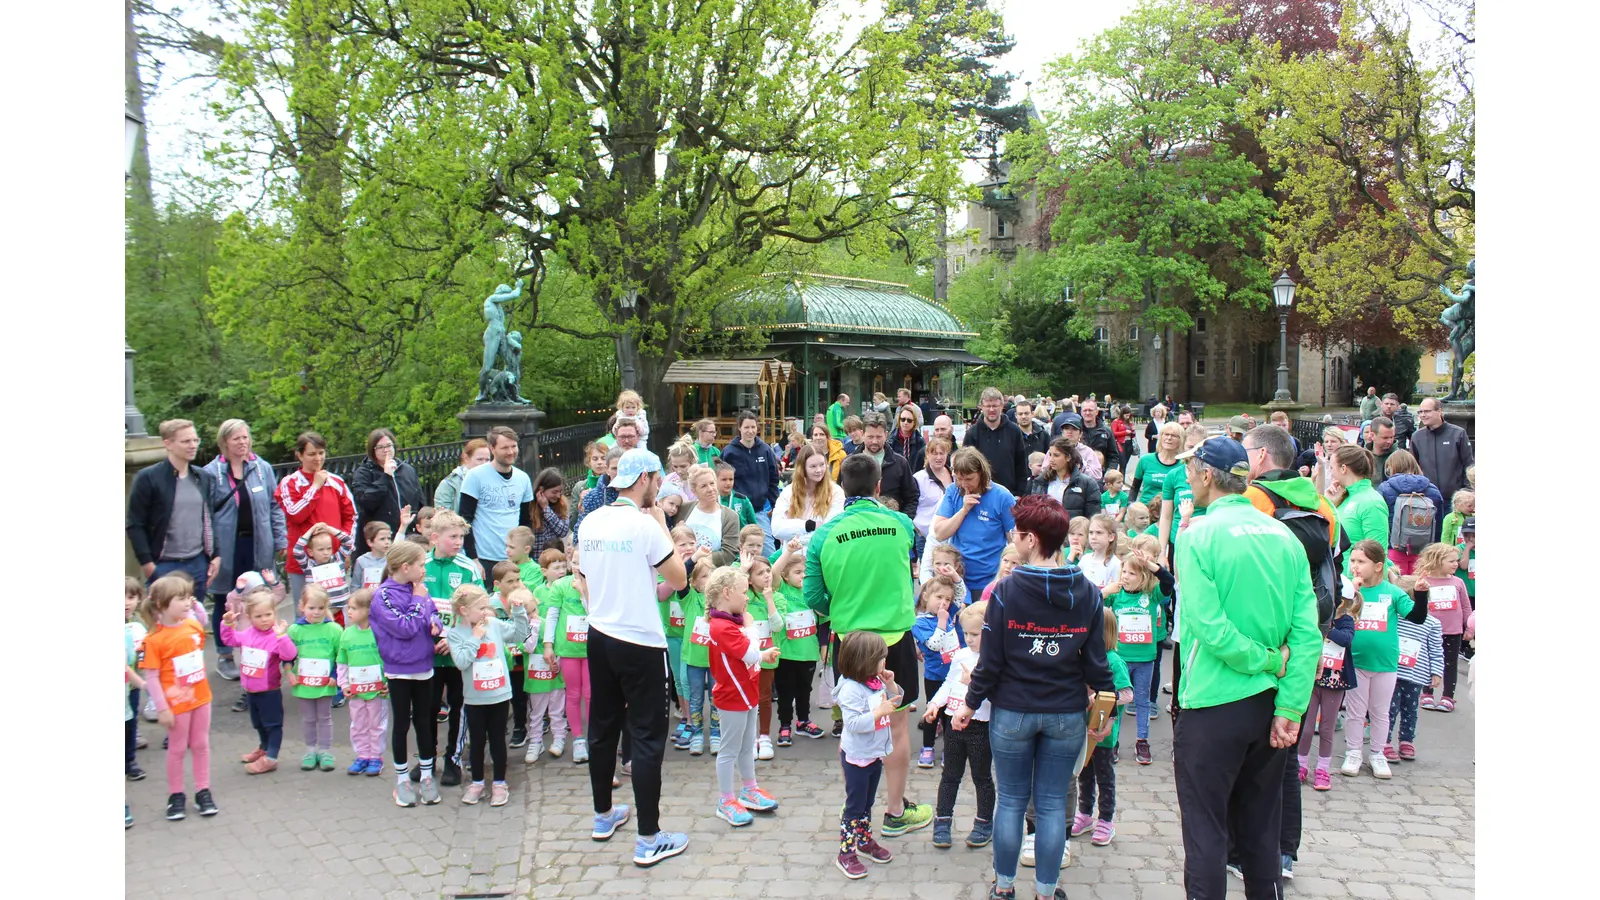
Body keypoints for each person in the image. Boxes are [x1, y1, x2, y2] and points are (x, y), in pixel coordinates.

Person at [1170, 436, 1321, 900]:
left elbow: (1210, 629)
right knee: (1260, 831)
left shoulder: (1197, 535)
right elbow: (1307, 635)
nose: (1188, 478)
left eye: (1191, 470)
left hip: (1215, 703)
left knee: (1207, 834)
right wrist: (1291, 707)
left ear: (1208, 475)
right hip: (1271, 706)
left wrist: (1267, 662)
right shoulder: (1282, 534)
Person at [950, 494, 1116, 900]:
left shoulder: (1006, 591)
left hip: (1013, 714)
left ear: (1029, 539)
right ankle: (1046, 891)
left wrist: (969, 705)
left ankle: (1004, 889)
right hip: (1066, 714)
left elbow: (990, 663)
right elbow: (1098, 663)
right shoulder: (1088, 592)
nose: (1014, 539)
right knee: (1050, 804)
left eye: (1017, 534)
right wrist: (1106, 706)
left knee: (1010, 801)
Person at [805, 454, 934, 839]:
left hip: (851, 641)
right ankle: (895, 811)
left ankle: (857, 813)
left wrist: (843, 609)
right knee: (896, 728)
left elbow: (813, 594)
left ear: (841, 487)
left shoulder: (825, 534)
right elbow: (908, 557)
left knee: (858, 730)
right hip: (894, 638)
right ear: (879, 487)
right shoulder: (900, 523)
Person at [575, 448, 690, 868]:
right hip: (640, 639)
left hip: (599, 633)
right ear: (644, 477)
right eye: (657, 479)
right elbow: (678, 580)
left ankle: (603, 815)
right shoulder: (645, 525)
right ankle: (649, 837)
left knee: (602, 727)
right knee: (646, 736)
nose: (660, 487)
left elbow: (582, 576)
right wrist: (661, 523)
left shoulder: (591, 520)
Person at [201, 419, 287, 683]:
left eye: (245, 437)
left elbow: (275, 507)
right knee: (225, 599)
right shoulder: (210, 473)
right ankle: (225, 656)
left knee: (260, 596)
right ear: (224, 442)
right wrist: (208, 550)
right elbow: (204, 513)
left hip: (258, 544)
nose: (242, 442)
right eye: (236, 438)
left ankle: (262, 650)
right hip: (226, 548)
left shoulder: (262, 469)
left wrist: (280, 539)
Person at [1338, 540, 1430, 778]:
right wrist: (1351, 592)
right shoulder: (1347, 589)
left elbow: (1417, 617)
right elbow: (1335, 613)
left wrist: (1421, 594)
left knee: (1380, 712)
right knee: (1356, 712)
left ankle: (1377, 753)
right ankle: (1354, 752)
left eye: (1361, 562)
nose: (1355, 566)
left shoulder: (1392, 592)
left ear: (1378, 566)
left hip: (1386, 663)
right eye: (1353, 561)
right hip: (1356, 662)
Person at [704, 565, 783, 827]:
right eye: (743, 591)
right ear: (727, 593)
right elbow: (747, 652)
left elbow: (747, 657)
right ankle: (726, 800)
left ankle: (749, 789)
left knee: (747, 745)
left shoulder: (728, 623)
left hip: (746, 692)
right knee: (729, 750)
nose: (747, 597)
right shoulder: (722, 627)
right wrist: (751, 628)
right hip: (732, 696)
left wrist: (763, 655)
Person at [138, 572, 220, 821]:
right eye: (181, 598)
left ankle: (202, 790)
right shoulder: (153, 640)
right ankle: (176, 795)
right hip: (176, 705)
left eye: (189, 597)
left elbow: (201, 629)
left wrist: (195, 607)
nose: (187, 603)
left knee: (201, 744)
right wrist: (162, 708)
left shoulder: (193, 626)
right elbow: (152, 677)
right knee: (176, 748)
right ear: (162, 605)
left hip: (201, 698)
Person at [369, 541, 445, 808]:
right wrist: (418, 600)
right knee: (401, 723)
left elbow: (432, 615)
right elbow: (406, 627)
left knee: (424, 722)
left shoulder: (419, 591)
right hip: (399, 670)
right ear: (405, 567)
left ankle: (426, 775)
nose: (424, 570)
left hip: (424, 666)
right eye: (421, 565)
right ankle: (401, 780)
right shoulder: (383, 596)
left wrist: (435, 624)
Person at [446, 583, 531, 806]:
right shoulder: (455, 634)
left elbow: (519, 635)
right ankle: (477, 783)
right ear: (464, 611)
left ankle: (500, 784)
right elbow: (462, 661)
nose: (486, 612)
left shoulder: (493, 624)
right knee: (476, 742)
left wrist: (519, 612)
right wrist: (475, 637)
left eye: (486, 607)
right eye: (481, 608)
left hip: (499, 694)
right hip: (475, 698)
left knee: (497, 740)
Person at [832, 630, 904, 880]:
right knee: (854, 806)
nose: (885, 662)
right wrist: (877, 713)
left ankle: (864, 841)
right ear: (864, 660)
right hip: (857, 758)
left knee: (867, 803)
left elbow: (898, 699)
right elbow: (852, 724)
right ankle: (846, 853)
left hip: (875, 754)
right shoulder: (851, 689)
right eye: (881, 658)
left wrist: (891, 683)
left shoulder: (875, 681)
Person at [126, 418, 221, 606]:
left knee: (194, 621)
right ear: (167, 443)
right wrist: (148, 566)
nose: (193, 445)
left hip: (198, 563)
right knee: (165, 624)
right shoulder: (149, 478)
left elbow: (210, 519)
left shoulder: (202, 477)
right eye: (186, 441)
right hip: (164, 564)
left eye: (195, 440)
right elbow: (135, 524)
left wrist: (215, 556)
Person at [924, 601, 995, 851]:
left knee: (982, 777)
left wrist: (974, 680)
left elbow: (997, 693)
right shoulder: (962, 655)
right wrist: (935, 704)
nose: (970, 639)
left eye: (975, 634)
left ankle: (984, 822)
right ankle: (942, 820)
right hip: (954, 723)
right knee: (950, 775)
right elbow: (948, 683)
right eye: (966, 634)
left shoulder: (994, 660)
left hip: (980, 726)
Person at [422, 511, 483, 788]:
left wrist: (455, 638)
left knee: (459, 707)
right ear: (434, 537)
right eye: (453, 537)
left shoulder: (467, 568)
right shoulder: (420, 567)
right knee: (428, 707)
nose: (459, 542)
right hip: (427, 653)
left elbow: (479, 609)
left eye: (461, 537)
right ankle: (427, 759)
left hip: (457, 652)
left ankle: (453, 759)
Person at [220, 586, 296, 775]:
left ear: (275, 613)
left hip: (269, 690)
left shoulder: (276, 637)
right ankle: (263, 747)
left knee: (273, 724)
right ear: (249, 617)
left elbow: (290, 654)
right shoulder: (247, 635)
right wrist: (227, 624)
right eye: (258, 616)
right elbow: (230, 640)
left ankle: (271, 758)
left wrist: (282, 637)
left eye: (268, 615)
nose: (264, 620)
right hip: (250, 690)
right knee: (258, 723)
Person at [1075, 608, 1134, 848]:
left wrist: (1100, 698)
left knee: (1105, 776)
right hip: (1083, 731)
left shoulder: (1113, 660)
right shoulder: (1082, 658)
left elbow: (1127, 694)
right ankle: (1085, 813)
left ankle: (1106, 819)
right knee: (1084, 774)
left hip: (1104, 735)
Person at [932, 448, 1018, 597]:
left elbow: (1014, 542)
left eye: (969, 479)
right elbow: (939, 533)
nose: (964, 484)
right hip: (957, 578)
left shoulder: (1002, 496)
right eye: (959, 478)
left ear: (981, 473)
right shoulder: (953, 491)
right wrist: (964, 510)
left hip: (989, 579)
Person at [1296, 584, 1358, 792]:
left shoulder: (1346, 621)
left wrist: (1328, 629)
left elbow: (1346, 639)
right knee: (1306, 727)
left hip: (1335, 682)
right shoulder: (1313, 619)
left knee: (1326, 728)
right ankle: (1301, 764)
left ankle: (1323, 769)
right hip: (1313, 679)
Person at [1107, 556, 1165, 765]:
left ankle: (1142, 741)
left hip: (1145, 659)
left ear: (1143, 578)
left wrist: (1151, 565)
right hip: (1120, 660)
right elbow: (1091, 604)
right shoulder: (1116, 596)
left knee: (1142, 702)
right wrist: (1106, 591)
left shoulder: (1152, 595)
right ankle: (1113, 742)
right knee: (1118, 702)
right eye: (1124, 572)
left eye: (1132, 573)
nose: (1126, 577)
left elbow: (1167, 582)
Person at [459, 426, 535, 572]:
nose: (511, 452)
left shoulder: (523, 478)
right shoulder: (475, 476)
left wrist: (525, 554)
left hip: (514, 558)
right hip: (484, 557)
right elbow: (464, 520)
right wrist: (473, 558)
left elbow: (526, 521)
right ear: (492, 449)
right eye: (504, 448)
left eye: (514, 446)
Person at [286, 585, 343, 772]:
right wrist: (289, 672)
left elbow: (340, 656)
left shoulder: (334, 629)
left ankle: (325, 751)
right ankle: (310, 751)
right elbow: (288, 656)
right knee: (309, 718)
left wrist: (335, 676)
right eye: (311, 608)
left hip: (325, 683)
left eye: (320, 608)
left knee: (325, 717)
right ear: (302, 606)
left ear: (326, 607)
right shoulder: (294, 630)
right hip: (304, 684)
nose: (316, 612)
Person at [540, 553, 590, 761]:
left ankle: (595, 736)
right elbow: (552, 616)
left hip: (591, 651)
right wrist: (548, 645)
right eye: (575, 563)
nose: (578, 567)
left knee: (591, 694)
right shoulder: (560, 585)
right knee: (573, 694)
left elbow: (596, 612)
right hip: (568, 650)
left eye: (583, 563)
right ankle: (578, 739)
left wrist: (583, 594)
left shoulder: (597, 584)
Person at [772, 545, 824, 744]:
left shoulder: (812, 592)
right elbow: (774, 572)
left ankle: (803, 721)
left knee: (805, 690)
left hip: (808, 652)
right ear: (786, 576)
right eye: (797, 572)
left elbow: (823, 611)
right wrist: (788, 552)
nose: (802, 576)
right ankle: (785, 725)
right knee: (785, 692)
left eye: (805, 573)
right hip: (786, 652)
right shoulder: (782, 589)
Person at [335, 588, 389, 776]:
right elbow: (341, 662)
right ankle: (362, 755)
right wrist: (343, 685)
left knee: (377, 724)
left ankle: (376, 756)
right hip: (356, 691)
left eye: (354, 608)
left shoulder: (380, 632)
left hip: (376, 690)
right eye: (348, 608)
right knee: (358, 724)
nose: (349, 612)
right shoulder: (347, 634)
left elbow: (387, 659)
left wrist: (387, 683)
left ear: (368, 610)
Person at [523, 550, 572, 762]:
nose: (561, 571)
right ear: (544, 571)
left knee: (557, 701)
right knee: (536, 707)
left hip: (558, 651)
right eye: (556, 567)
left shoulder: (569, 588)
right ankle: (535, 742)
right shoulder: (536, 593)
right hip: (536, 657)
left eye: (564, 566)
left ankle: (559, 737)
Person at [351, 429, 426, 560]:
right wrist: (386, 477)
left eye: (389, 446)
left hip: (407, 533)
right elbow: (365, 501)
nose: (386, 450)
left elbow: (419, 498)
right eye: (380, 447)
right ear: (372, 450)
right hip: (381, 537)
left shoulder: (406, 469)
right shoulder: (363, 473)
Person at [911, 576, 962, 770]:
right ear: (926, 596)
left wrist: (955, 577)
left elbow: (961, 594)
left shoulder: (950, 614)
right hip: (934, 675)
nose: (943, 603)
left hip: (954, 675)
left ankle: (950, 750)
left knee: (950, 714)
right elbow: (933, 645)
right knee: (933, 712)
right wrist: (942, 622)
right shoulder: (920, 622)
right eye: (938, 597)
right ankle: (927, 748)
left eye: (947, 600)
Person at [1413, 543, 1471, 713]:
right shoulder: (1423, 581)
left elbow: (1466, 607)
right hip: (1428, 631)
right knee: (1426, 661)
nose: (1456, 564)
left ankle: (1447, 696)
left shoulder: (1458, 582)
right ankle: (1427, 692)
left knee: (1450, 663)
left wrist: (1469, 627)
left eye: (1457, 561)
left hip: (1452, 631)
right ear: (1437, 560)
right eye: (1451, 561)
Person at [1376, 450, 1445, 575]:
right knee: (1421, 589)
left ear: (1390, 468)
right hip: (1424, 551)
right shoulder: (1433, 490)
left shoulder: (1384, 489)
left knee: (1397, 587)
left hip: (1394, 548)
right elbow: (1439, 524)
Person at [720, 410, 781, 551]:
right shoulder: (729, 452)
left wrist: (774, 505)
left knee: (767, 550)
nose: (750, 431)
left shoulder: (765, 450)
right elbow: (720, 480)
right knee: (736, 550)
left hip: (759, 511)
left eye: (753, 427)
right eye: (746, 427)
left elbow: (773, 480)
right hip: (736, 512)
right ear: (739, 428)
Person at [1328, 445, 1390, 576]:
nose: (1331, 473)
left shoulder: (1371, 502)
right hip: (1339, 581)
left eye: (1332, 468)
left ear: (1343, 468)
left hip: (1357, 587)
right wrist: (1330, 502)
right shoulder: (1345, 497)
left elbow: (1379, 553)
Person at [771, 443, 845, 544]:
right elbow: (776, 529)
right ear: (803, 468)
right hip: (791, 556)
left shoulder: (835, 492)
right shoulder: (789, 491)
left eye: (822, 464)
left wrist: (793, 536)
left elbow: (828, 531)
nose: (819, 470)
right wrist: (809, 525)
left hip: (818, 555)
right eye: (813, 466)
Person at [963, 387, 1030, 496]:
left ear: (1002, 406)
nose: (991, 409)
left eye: (995, 406)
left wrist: (1020, 494)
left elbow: (1021, 465)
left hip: (1010, 495)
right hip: (981, 496)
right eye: (988, 406)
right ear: (981, 407)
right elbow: (966, 468)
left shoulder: (1014, 431)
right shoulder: (972, 434)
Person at [1409, 398, 1474, 503]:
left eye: (1427, 411)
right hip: (1426, 499)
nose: (1422, 415)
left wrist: (1466, 491)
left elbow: (1468, 464)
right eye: (1420, 412)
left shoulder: (1458, 434)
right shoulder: (1417, 437)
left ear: (1439, 411)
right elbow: (1412, 468)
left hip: (1455, 499)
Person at [854, 411, 919, 515]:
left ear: (886, 435)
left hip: (893, 526)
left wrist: (902, 522)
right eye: (870, 437)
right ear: (862, 434)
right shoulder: (850, 464)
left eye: (879, 437)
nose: (874, 441)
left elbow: (912, 498)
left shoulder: (900, 463)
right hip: (859, 526)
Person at [675, 464, 741, 565]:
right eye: (703, 486)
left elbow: (729, 553)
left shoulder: (730, 517)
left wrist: (695, 560)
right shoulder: (683, 509)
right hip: (681, 571)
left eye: (712, 483)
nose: (710, 489)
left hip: (712, 574)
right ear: (694, 491)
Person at [1027, 435, 1102, 521]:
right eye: (1050, 455)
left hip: (1074, 532)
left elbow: (1093, 518)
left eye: (1056, 455)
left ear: (1068, 457)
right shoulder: (1040, 482)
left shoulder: (1088, 483)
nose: (1051, 459)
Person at [913, 437, 956, 561]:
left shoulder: (955, 476)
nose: (938, 457)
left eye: (941, 453)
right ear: (927, 454)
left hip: (949, 536)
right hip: (925, 536)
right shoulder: (918, 478)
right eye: (934, 453)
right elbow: (911, 504)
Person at [434, 439, 492, 514]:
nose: (484, 464)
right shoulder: (449, 484)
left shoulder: (493, 480)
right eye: (480, 459)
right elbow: (442, 519)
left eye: (487, 460)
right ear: (466, 458)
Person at [526, 467, 572, 557]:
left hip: (553, 559)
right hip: (535, 558)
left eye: (560, 491)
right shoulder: (529, 505)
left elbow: (563, 531)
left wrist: (546, 508)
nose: (558, 496)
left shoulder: (561, 504)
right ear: (541, 490)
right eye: (554, 492)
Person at [1054, 413, 1103, 482]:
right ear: (1062, 432)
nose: (1070, 432)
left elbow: (1097, 475)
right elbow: (1044, 470)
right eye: (1066, 428)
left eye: (1074, 429)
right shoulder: (1054, 449)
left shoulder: (1087, 451)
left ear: (1080, 434)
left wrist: (1082, 466)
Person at [1078, 399, 1117, 474]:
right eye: (1085, 410)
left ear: (1096, 412)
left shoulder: (1106, 431)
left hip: (1100, 475)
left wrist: (1109, 472)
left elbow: (1113, 456)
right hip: (1079, 475)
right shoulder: (1075, 431)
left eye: (1090, 410)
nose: (1087, 413)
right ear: (1081, 412)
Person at [891, 405, 927, 471]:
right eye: (903, 419)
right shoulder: (891, 440)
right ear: (899, 420)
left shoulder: (920, 441)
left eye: (909, 420)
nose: (905, 423)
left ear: (914, 422)